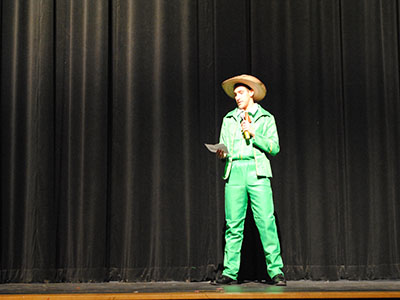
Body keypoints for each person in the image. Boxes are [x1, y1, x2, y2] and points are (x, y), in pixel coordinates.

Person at [214, 74, 286, 286]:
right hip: (235, 169)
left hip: (257, 172)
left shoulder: (266, 118)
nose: (237, 97)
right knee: (233, 225)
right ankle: (230, 272)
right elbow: (223, 145)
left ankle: (276, 271)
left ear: (251, 93)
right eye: (235, 94)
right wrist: (222, 153)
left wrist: (254, 134)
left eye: (241, 93)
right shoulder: (228, 119)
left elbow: (275, 147)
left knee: (266, 222)